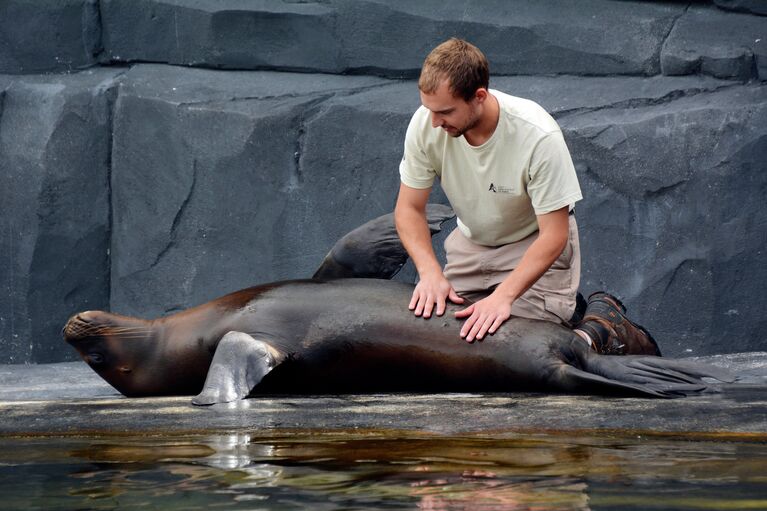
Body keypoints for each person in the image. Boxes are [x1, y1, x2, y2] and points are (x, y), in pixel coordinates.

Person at [394, 38, 659, 356]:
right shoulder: (427, 124)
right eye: (429, 109)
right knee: (446, 339)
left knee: (516, 349)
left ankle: (602, 327)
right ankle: (567, 309)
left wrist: (504, 297)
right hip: (471, 246)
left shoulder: (537, 135)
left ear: (479, 96)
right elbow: (409, 209)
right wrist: (430, 272)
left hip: (533, 244)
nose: (435, 122)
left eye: (445, 111)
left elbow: (554, 235)